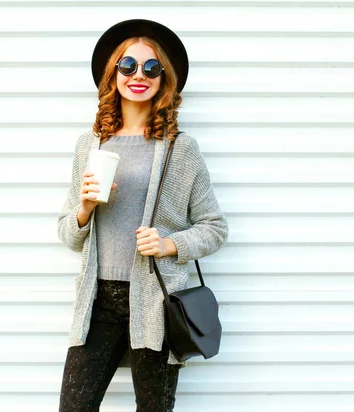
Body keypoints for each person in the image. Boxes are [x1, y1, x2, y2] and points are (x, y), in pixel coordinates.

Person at [57, 19, 229, 412]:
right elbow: (68, 234)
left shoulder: (180, 149)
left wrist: (171, 244)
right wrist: (84, 210)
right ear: (113, 74)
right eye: (128, 66)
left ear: (164, 78)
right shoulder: (90, 145)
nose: (139, 75)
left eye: (152, 68)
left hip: (155, 301)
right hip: (98, 299)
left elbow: (215, 228)